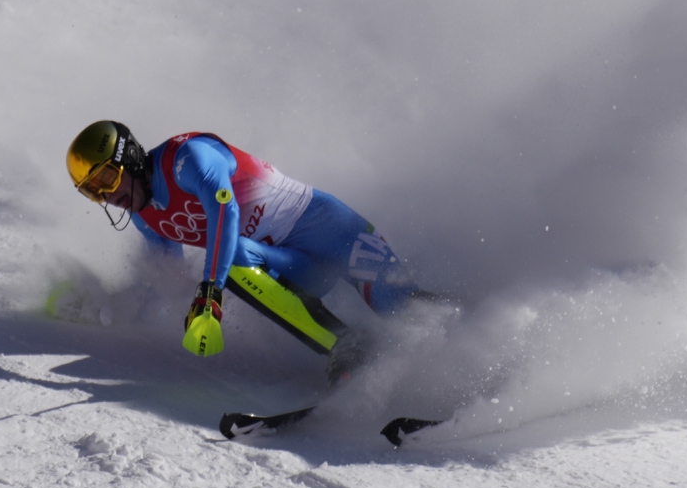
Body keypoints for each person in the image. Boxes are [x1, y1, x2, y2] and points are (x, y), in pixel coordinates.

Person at [65, 120, 424, 363]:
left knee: (411, 313)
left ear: (128, 159)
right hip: (295, 267)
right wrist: (107, 305)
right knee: (233, 256)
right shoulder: (146, 219)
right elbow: (166, 281)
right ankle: (347, 348)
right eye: (92, 192)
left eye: (107, 179)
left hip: (335, 232)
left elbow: (226, 214)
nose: (107, 196)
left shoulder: (187, 158)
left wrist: (210, 292)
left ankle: (474, 349)